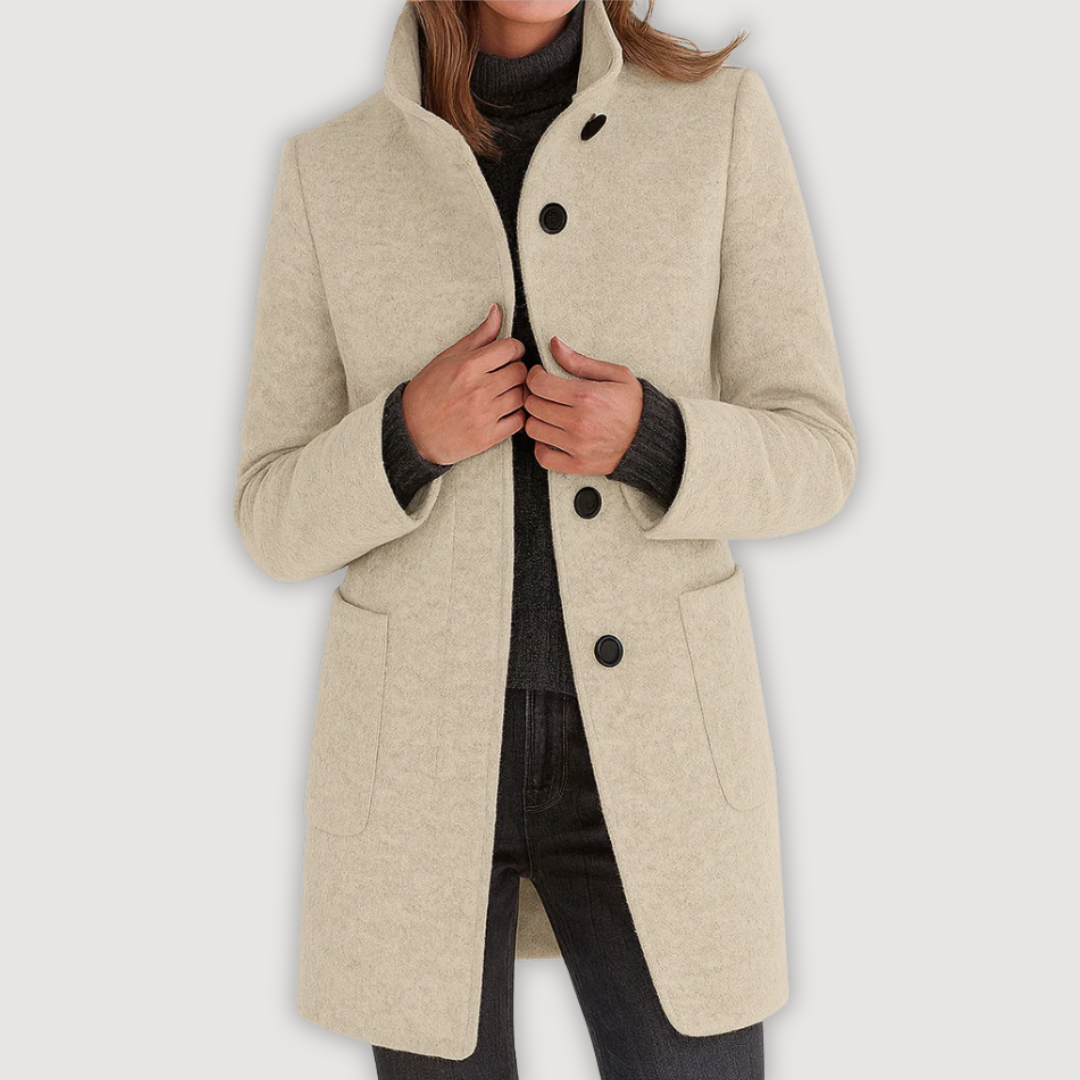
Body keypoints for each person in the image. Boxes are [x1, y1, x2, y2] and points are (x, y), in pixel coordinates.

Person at [232, 2, 857, 1078]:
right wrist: (404, 438)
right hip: (417, 769)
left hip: (657, 756)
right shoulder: (330, 169)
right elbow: (269, 515)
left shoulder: (718, 125)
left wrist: (657, 440)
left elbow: (818, 452)